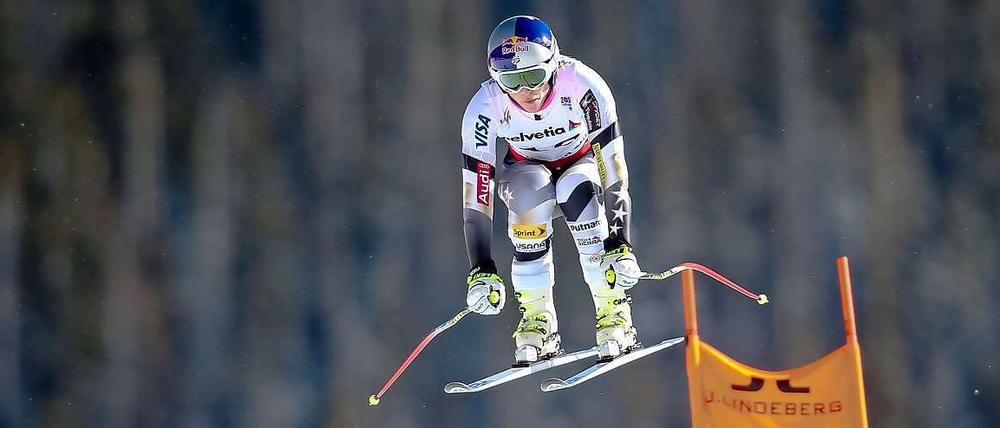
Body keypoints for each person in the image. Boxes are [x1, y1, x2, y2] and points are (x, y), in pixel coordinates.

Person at [461, 15, 643, 365]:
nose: (525, 91)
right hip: (527, 169)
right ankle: (537, 319)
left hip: (581, 161)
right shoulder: (483, 108)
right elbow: (476, 194)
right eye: (511, 81)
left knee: (582, 195)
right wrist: (481, 267)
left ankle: (614, 313)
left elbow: (614, 169)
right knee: (526, 200)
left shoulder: (583, 85)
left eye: (534, 76)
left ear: (554, 63)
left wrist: (620, 242)